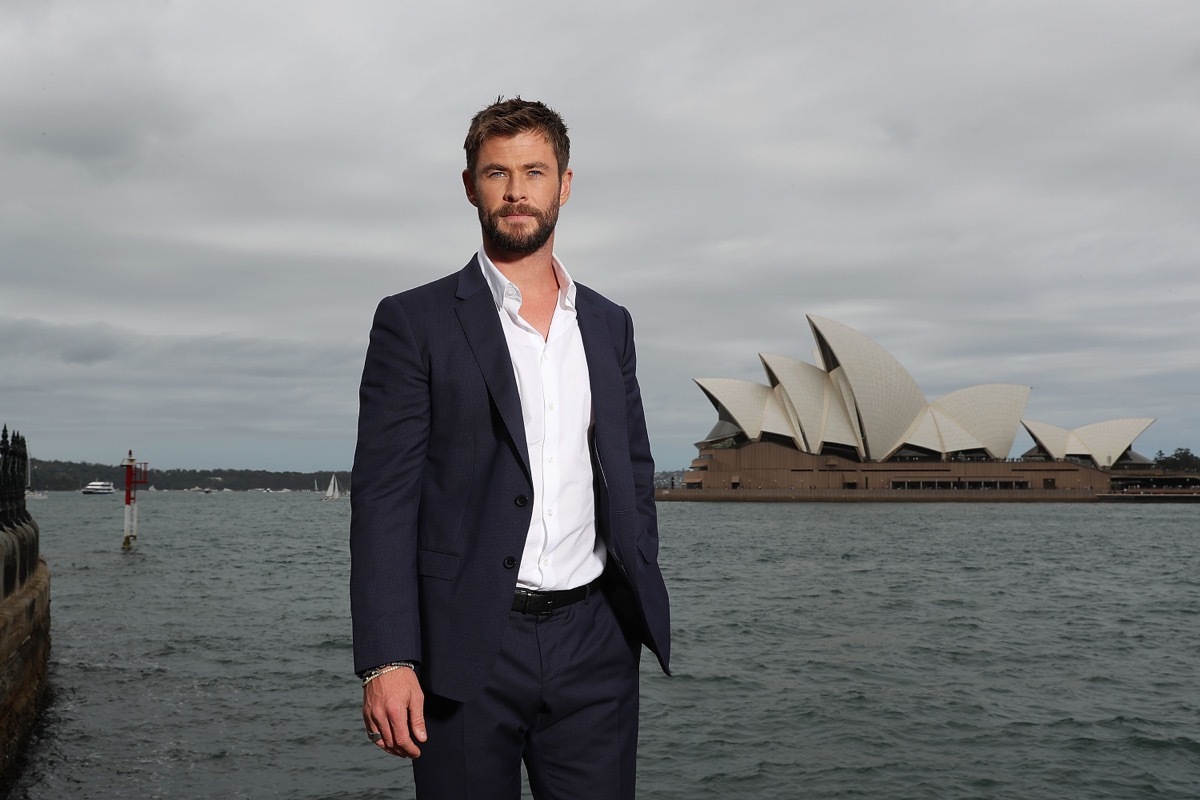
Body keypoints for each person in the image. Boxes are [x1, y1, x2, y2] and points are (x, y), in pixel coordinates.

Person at [349, 97, 671, 799]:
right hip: (465, 646)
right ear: (470, 185)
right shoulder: (413, 321)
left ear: (565, 184)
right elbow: (384, 500)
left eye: (534, 171)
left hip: (595, 643)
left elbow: (633, 467)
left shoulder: (609, 325)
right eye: (498, 173)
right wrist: (386, 659)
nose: (517, 190)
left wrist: (636, 574)